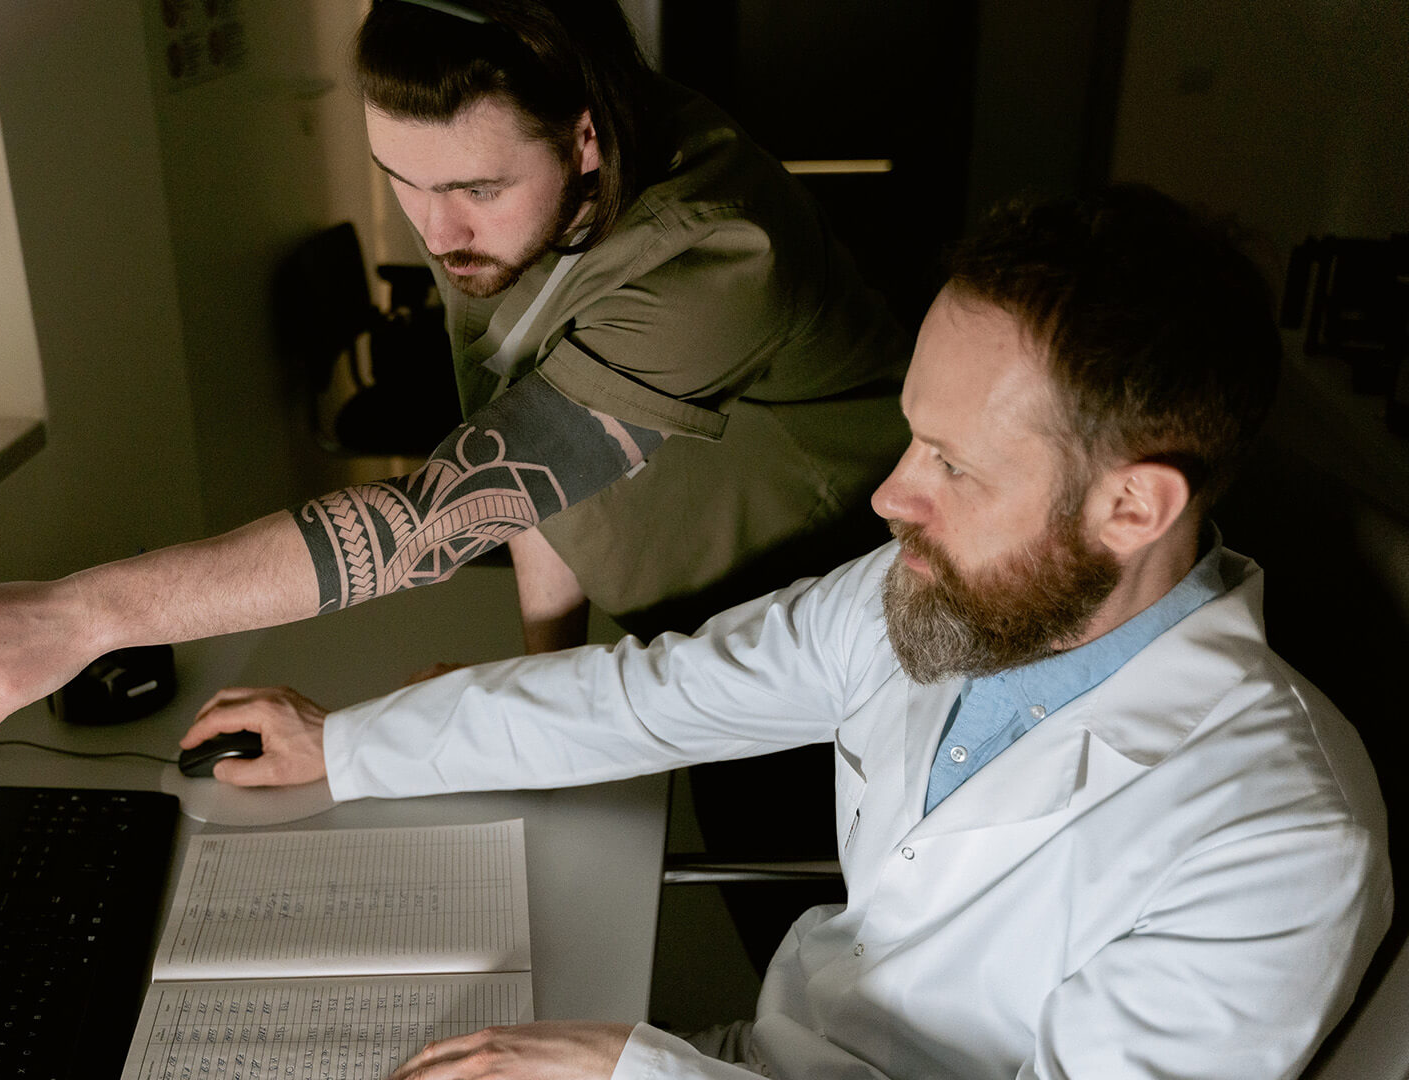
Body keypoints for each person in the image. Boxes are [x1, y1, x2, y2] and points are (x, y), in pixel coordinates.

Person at [179, 186, 1394, 1079]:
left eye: (953, 464)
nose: (892, 495)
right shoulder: (942, 591)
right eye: (914, 435)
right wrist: (348, 746)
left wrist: (631, 1073)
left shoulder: (1278, 841)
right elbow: (652, 698)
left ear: (1134, 507)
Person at [0, 0, 909, 742]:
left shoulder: (714, 259)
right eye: (402, 179)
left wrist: (83, 616)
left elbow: (446, 513)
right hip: (700, 635)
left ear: (585, 140)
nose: (435, 230)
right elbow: (526, 449)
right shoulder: (495, 203)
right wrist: (537, 675)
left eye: (475, 190)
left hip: (861, 638)